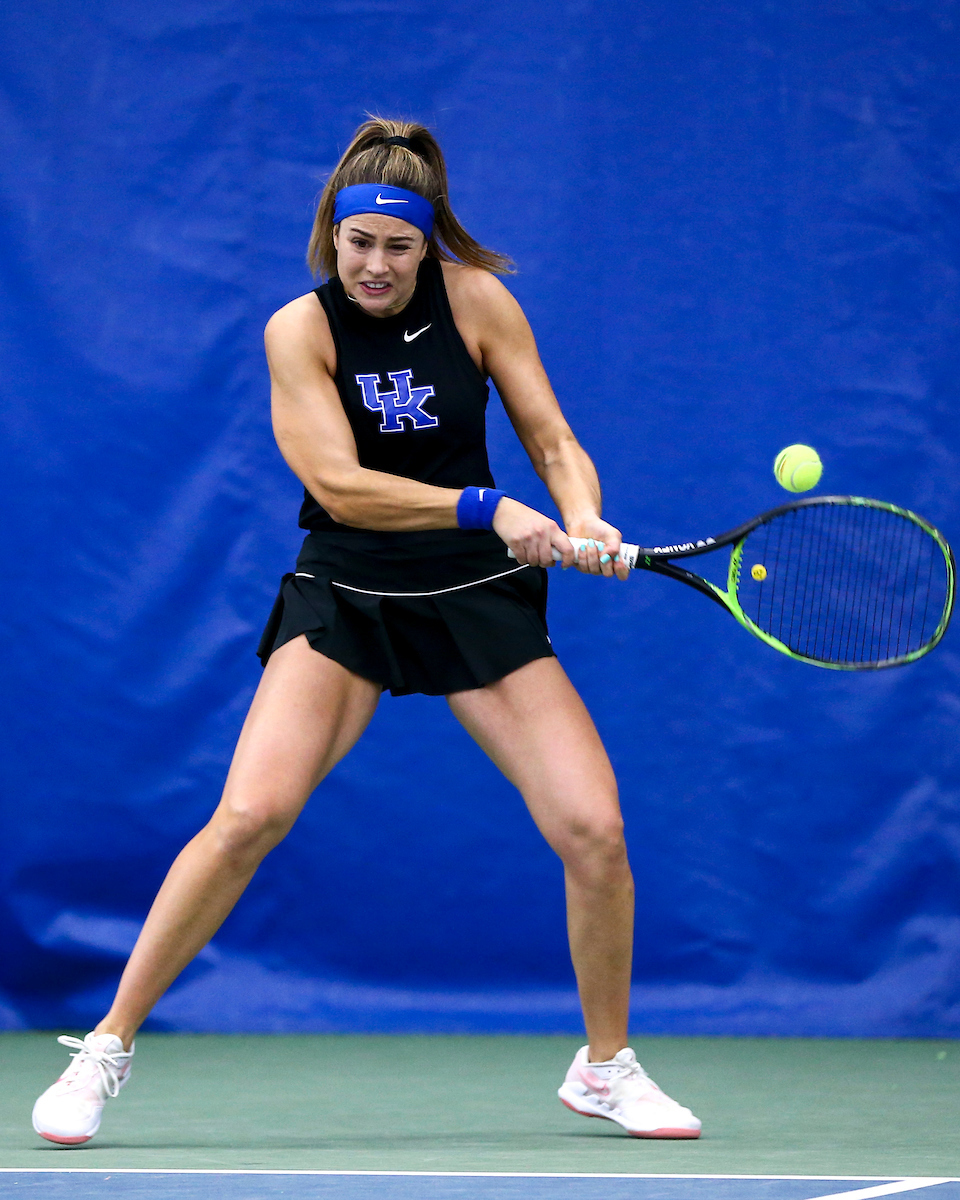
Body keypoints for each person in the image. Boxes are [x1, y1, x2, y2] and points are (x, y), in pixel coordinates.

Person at [32, 117, 701, 1145]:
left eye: (399, 244)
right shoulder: (296, 330)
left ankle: (606, 1068)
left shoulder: (478, 303)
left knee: (594, 831)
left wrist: (582, 516)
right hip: (347, 595)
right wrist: (491, 509)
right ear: (329, 237)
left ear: (428, 241)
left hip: (477, 597)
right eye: (360, 243)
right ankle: (110, 1044)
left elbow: (553, 439)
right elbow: (341, 489)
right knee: (249, 816)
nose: (378, 264)